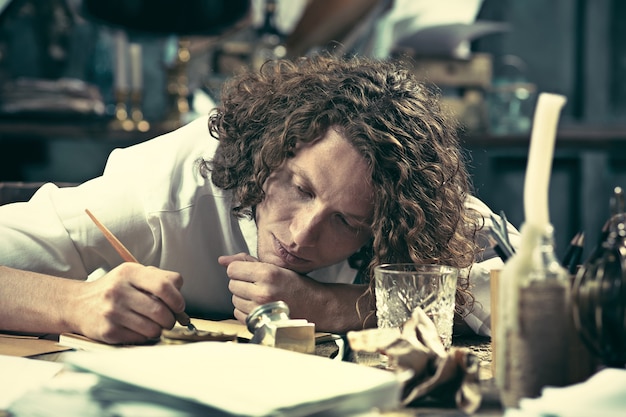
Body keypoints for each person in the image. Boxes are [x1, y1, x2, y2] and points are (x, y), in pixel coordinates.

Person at [0, 54, 513, 344]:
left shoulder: (406, 204)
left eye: (347, 222)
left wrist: (334, 307)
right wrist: (73, 304)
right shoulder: (159, 198)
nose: (299, 236)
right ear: (272, 152)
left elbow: (525, 285)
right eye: (301, 188)